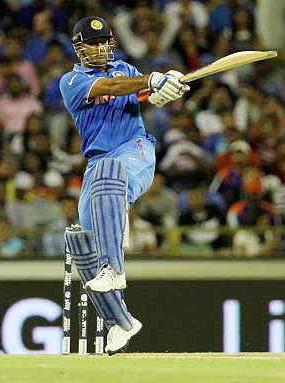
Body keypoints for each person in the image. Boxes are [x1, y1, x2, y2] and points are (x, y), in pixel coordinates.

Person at [59, 16, 189, 355]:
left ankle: (115, 268)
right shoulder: (71, 81)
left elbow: (146, 95)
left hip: (135, 150)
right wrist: (153, 80)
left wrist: (165, 89)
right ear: (79, 47)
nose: (101, 49)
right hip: (96, 163)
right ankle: (121, 322)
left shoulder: (127, 70)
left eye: (105, 43)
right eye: (93, 43)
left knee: (112, 171)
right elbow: (114, 89)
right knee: (82, 244)